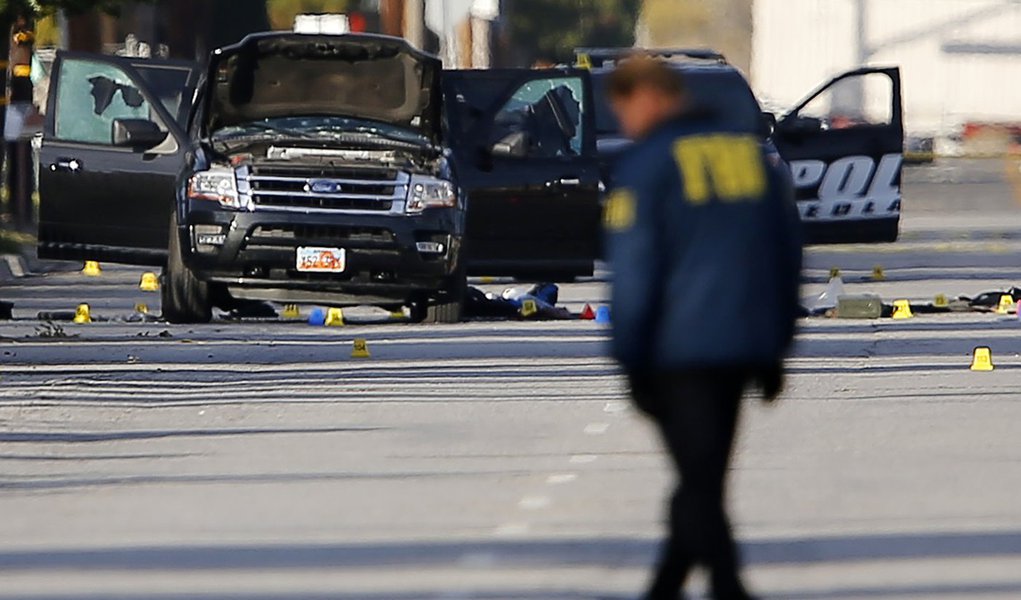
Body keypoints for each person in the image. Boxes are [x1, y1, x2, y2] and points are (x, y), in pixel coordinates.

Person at [602, 57, 803, 600]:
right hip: (741, 344)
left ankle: (725, 586)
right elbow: (786, 254)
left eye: (624, 108)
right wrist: (778, 342)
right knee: (704, 474)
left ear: (650, 97)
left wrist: (629, 356)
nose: (624, 122)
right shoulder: (751, 159)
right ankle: (682, 585)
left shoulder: (648, 166)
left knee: (698, 478)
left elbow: (636, 270)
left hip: (678, 349)